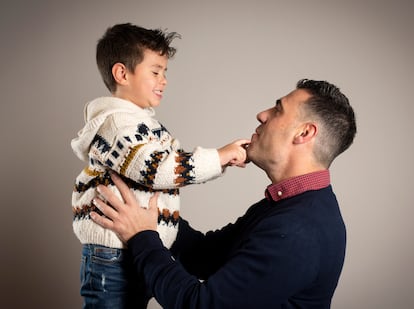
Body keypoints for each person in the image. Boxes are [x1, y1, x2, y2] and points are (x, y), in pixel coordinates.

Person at [91, 79, 357, 308]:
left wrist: (142, 237)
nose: (261, 115)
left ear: (304, 133)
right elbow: (203, 255)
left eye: (278, 109)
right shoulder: (287, 206)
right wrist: (147, 210)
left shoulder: (299, 229)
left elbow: (201, 305)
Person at [71, 23, 248, 308]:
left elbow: (168, 171)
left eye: (165, 72)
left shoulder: (144, 124)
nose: (163, 80)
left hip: (139, 246)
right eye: (155, 72)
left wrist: (220, 162)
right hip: (114, 252)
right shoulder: (117, 124)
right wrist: (219, 157)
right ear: (122, 73)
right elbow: (157, 170)